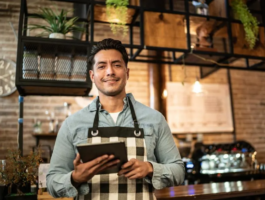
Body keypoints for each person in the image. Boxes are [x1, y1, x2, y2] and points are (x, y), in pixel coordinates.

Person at [46, 38, 185, 200]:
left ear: (127, 72)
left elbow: (179, 171)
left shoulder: (155, 119)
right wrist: (75, 178)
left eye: (117, 65)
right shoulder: (72, 124)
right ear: (92, 75)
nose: (110, 71)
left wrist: (150, 168)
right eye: (102, 66)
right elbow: (51, 182)